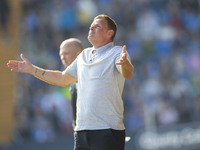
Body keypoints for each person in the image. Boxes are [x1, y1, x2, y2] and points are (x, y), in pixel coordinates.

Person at [7, 14, 134, 150]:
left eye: (97, 26)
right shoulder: (84, 55)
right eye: (91, 25)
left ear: (110, 33)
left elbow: (127, 73)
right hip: (82, 131)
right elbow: (62, 78)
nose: (91, 28)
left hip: (107, 129)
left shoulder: (117, 52)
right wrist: (32, 69)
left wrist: (125, 64)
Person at [59, 38, 83, 129]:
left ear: (79, 54)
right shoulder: (72, 79)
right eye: (61, 54)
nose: (63, 58)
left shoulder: (89, 74)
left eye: (66, 53)